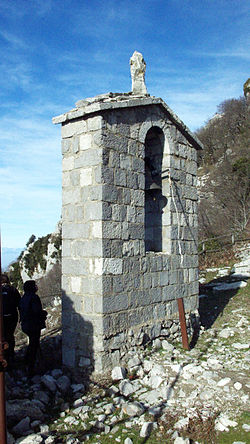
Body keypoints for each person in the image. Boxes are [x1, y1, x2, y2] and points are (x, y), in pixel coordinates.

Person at [19, 280, 47, 376]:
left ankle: (26, 362)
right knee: (34, 345)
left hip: (25, 325)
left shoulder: (23, 298)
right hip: (33, 325)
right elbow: (36, 312)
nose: (36, 287)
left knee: (32, 344)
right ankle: (30, 367)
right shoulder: (34, 297)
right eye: (35, 285)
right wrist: (44, 314)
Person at [1, 274, 21, 365]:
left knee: (2, 337)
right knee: (10, 336)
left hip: (1, 318)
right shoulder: (13, 289)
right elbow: (19, 303)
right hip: (12, 317)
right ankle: (11, 356)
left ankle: (3, 356)